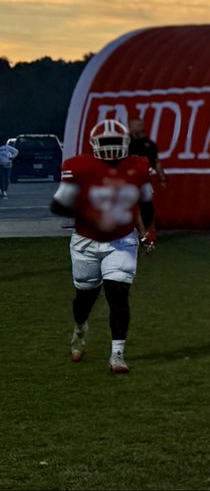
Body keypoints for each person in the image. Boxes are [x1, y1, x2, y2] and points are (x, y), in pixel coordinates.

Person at [50, 119, 155, 373]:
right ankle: (79, 328)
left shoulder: (138, 165)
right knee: (85, 297)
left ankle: (117, 354)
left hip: (121, 239)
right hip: (86, 239)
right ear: (94, 145)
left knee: (117, 292)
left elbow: (146, 204)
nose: (111, 149)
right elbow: (58, 206)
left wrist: (145, 233)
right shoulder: (77, 166)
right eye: (106, 143)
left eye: (115, 143)